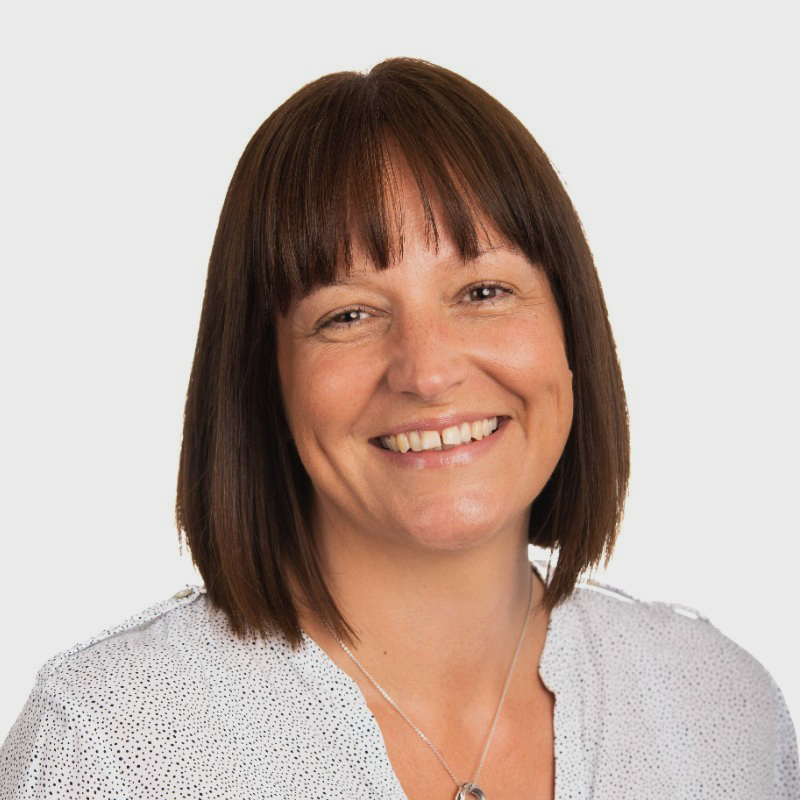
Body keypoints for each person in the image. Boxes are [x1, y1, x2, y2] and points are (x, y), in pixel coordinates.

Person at [0, 57, 797, 800]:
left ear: (572, 334)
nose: (426, 371)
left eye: (483, 292)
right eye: (348, 315)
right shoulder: (106, 745)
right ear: (261, 378)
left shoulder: (729, 715)